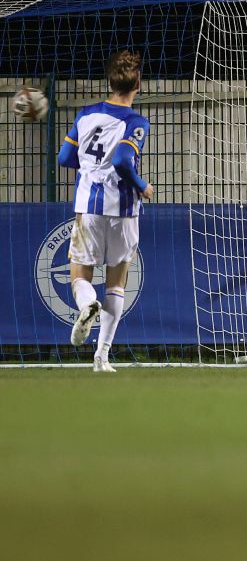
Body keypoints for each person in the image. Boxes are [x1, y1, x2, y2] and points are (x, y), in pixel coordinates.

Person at [58, 49, 154, 373]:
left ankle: (87, 306)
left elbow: (63, 158)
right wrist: (142, 184)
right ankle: (102, 357)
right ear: (137, 84)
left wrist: (86, 166)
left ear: (109, 81)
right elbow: (123, 161)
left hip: (89, 207)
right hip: (124, 210)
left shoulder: (85, 115)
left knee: (79, 274)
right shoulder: (136, 122)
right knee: (117, 282)